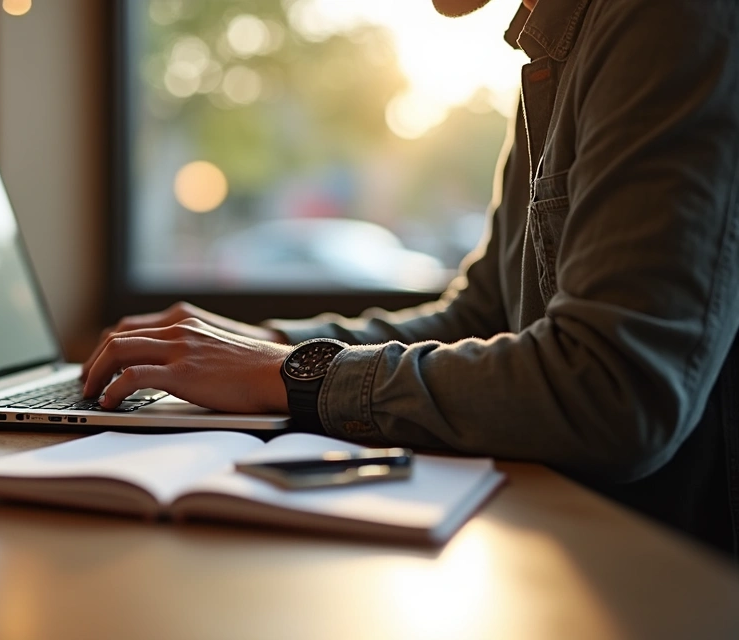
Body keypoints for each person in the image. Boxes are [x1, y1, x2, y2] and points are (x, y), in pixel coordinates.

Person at [82, 0, 739, 557]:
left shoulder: (670, 18)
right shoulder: (559, 50)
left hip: (666, 581)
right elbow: (478, 317)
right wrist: (249, 346)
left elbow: (614, 387)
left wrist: (292, 371)